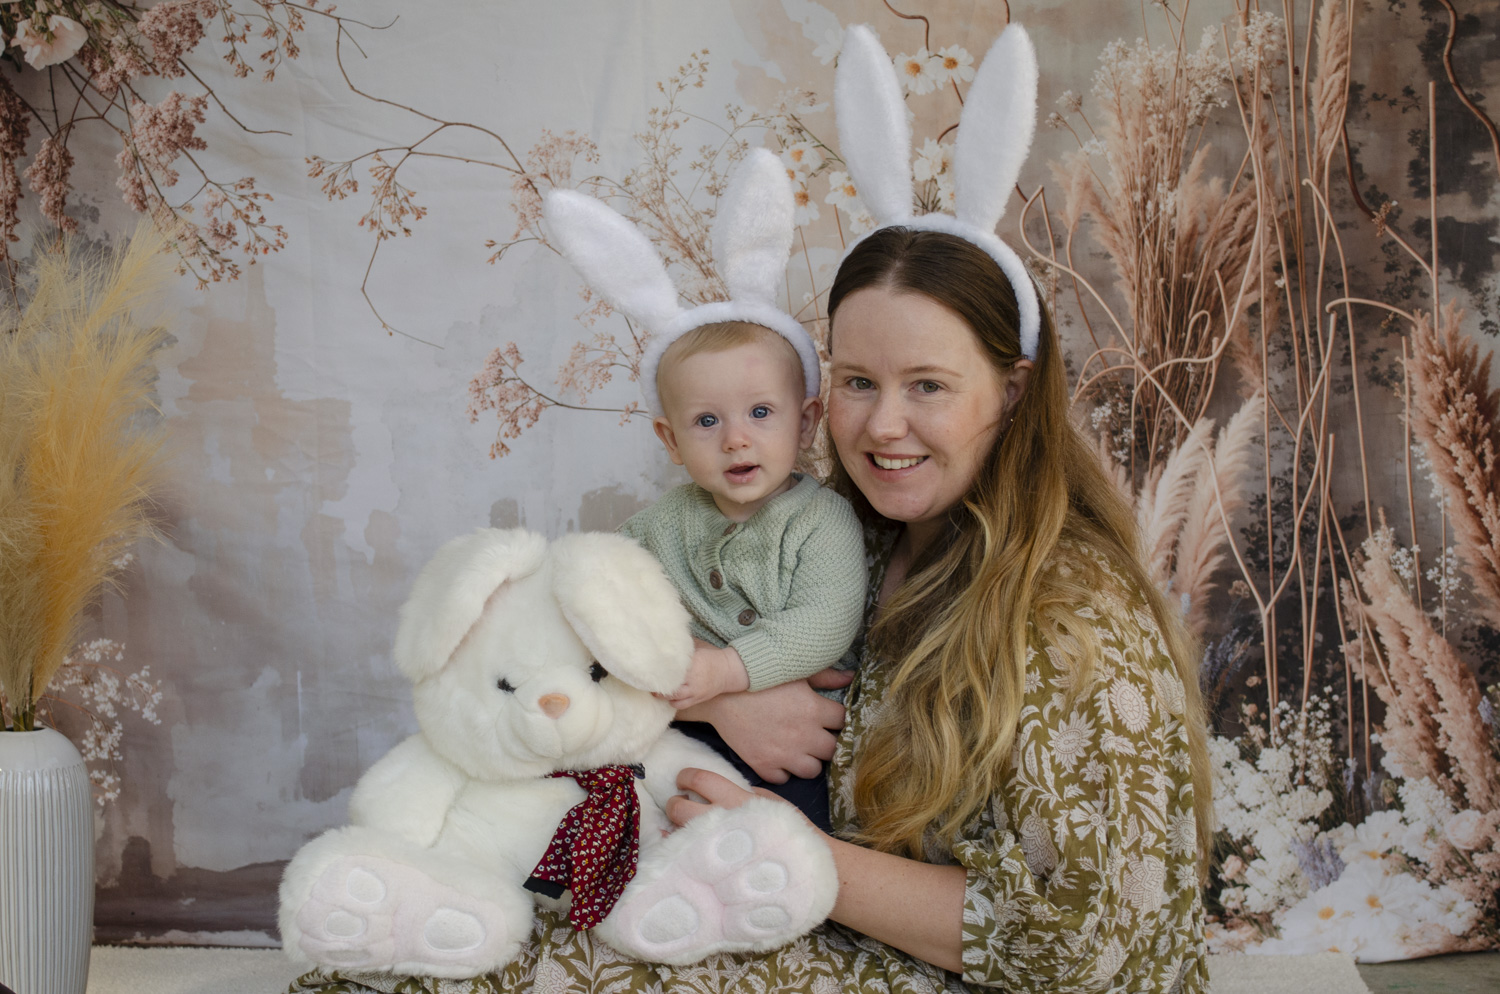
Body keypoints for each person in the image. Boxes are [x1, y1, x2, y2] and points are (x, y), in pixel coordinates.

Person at [617, 317, 867, 830]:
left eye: (760, 412)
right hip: (677, 730)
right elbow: (602, 598)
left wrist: (726, 671)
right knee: (645, 824)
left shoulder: (823, 519)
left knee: (780, 845)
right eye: (707, 421)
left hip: (793, 747)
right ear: (671, 439)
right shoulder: (655, 527)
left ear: (804, 422)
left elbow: (825, 621)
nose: (736, 439)